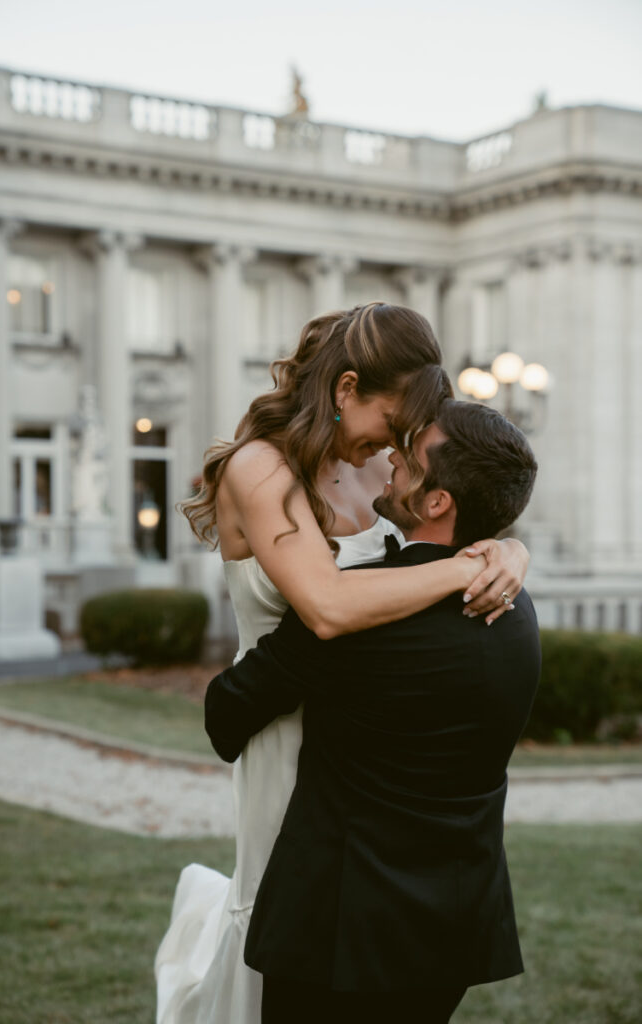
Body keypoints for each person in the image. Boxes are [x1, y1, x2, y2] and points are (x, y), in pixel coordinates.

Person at [155, 304, 530, 1024]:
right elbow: (327, 607)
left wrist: (504, 548)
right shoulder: (258, 469)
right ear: (345, 388)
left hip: (367, 736)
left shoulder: (366, 479)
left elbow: (430, 540)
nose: (392, 449)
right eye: (390, 424)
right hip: (283, 725)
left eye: (403, 440)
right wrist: (464, 572)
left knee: (343, 949)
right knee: (279, 918)